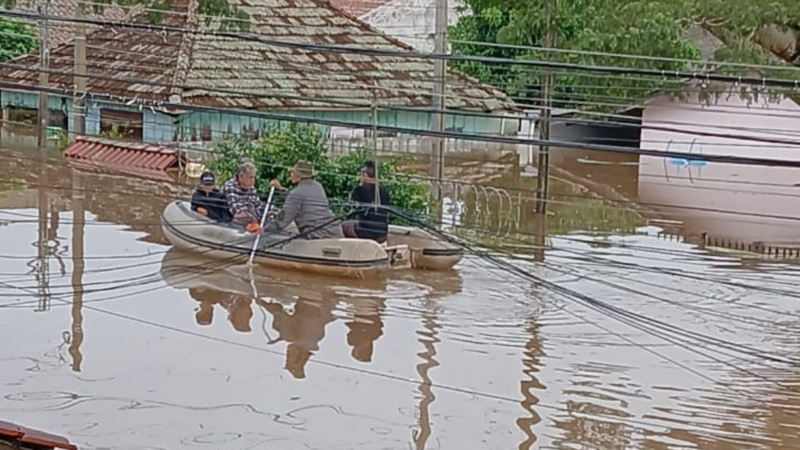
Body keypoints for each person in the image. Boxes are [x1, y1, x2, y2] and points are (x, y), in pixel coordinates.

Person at [267, 160, 344, 239]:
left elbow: (282, 219)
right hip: (334, 229)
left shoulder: (296, 194)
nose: (291, 175)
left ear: (299, 176)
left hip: (319, 234)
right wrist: (281, 189)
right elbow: (301, 197)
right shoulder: (318, 186)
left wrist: (266, 228)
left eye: (293, 173)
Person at [341, 160, 391, 243]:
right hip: (382, 234)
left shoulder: (360, 190)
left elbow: (349, 206)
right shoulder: (384, 191)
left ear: (364, 174)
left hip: (364, 232)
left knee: (343, 225)